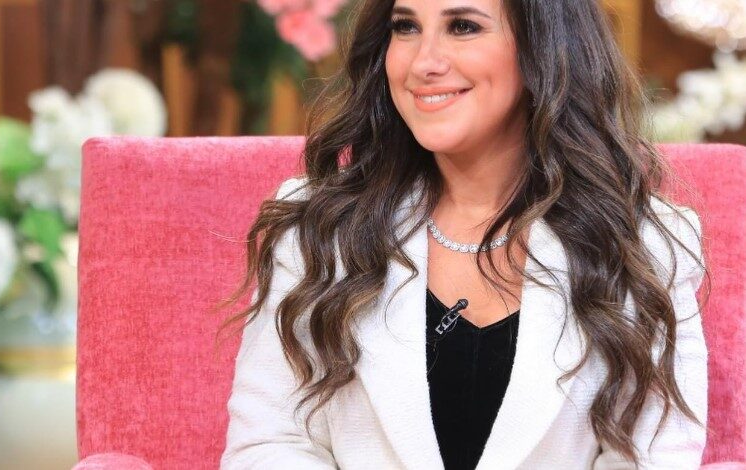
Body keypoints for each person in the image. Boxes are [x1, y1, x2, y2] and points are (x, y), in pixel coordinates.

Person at [218, 0, 710, 468]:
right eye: (405, 27)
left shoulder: (644, 243)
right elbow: (269, 444)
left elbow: (654, 459)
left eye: (463, 27)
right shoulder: (318, 227)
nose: (423, 62)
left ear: (543, 47)